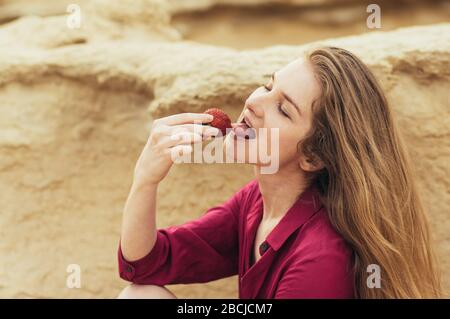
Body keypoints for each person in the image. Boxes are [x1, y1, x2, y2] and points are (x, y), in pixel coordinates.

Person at [117, 46, 441, 299]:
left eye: (283, 109)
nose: (256, 102)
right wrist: (146, 179)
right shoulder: (255, 203)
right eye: (267, 85)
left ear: (313, 155)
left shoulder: (321, 258)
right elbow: (146, 264)